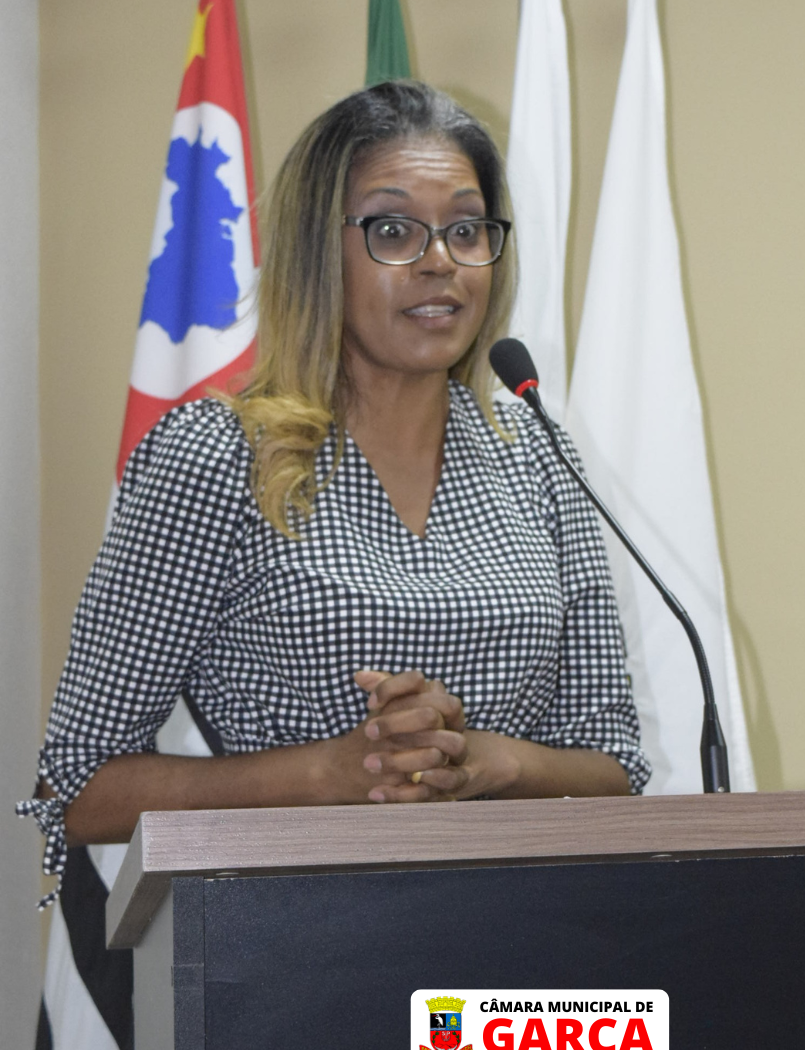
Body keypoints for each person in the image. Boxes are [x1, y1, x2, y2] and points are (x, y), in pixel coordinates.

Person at [19, 81, 649, 902]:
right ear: (318, 250)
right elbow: (76, 786)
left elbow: (612, 762)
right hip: (289, 939)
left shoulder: (534, 454)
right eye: (393, 230)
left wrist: (489, 761)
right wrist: (328, 773)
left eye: (467, 229)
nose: (439, 260)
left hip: (523, 936)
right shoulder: (216, 457)